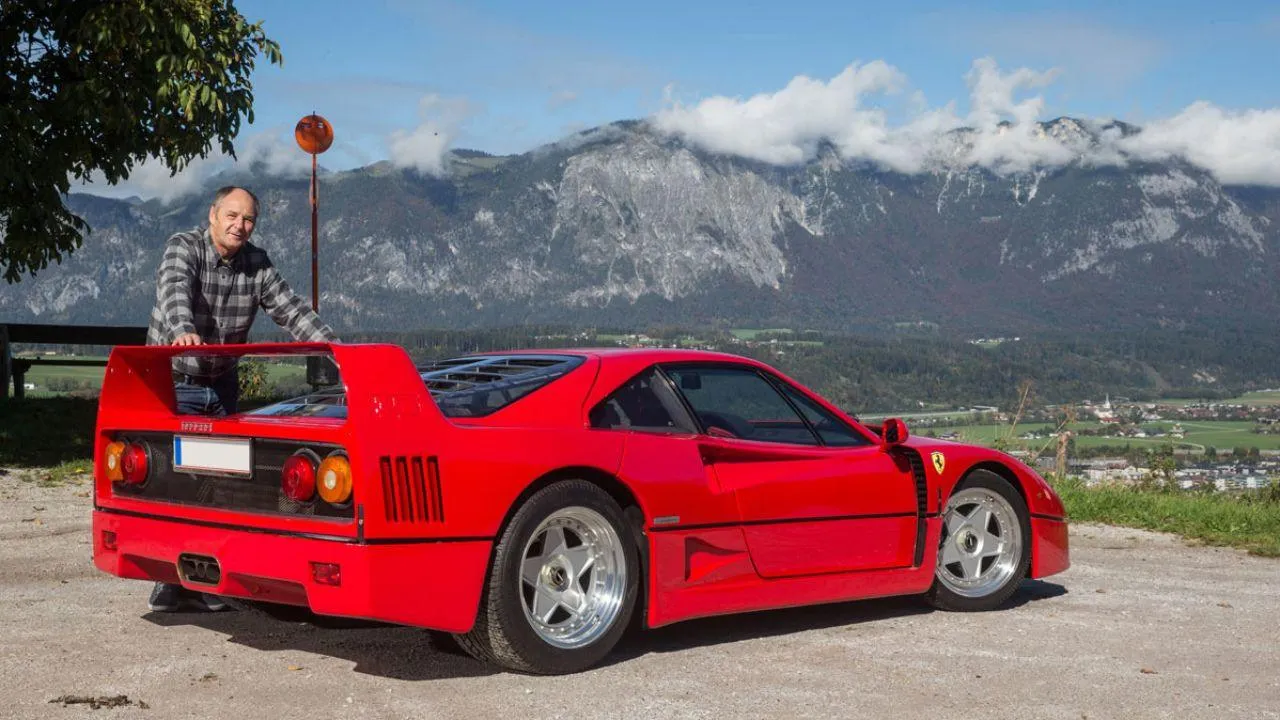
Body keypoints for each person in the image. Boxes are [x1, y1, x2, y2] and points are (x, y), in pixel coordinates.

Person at [144, 185, 338, 613]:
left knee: (226, 483)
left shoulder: (257, 262)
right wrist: (182, 331)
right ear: (212, 215)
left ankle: (211, 578)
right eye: (232, 215)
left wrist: (336, 350)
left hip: (223, 382)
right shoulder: (184, 248)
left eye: (248, 219)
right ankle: (170, 581)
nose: (240, 225)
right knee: (176, 481)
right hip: (176, 380)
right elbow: (173, 289)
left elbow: (291, 310)